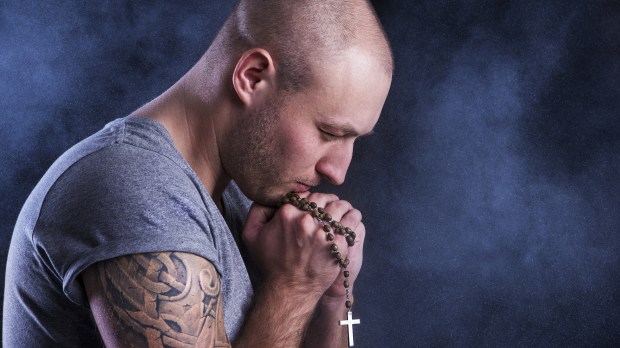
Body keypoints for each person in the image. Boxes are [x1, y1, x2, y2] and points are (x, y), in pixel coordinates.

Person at [3, 0, 393, 346]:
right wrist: (295, 286)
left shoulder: (243, 196)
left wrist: (332, 295)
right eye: (329, 132)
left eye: (354, 139)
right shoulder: (134, 188)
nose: (338, 171)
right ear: (252, 76)